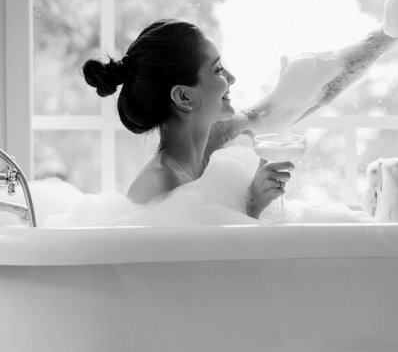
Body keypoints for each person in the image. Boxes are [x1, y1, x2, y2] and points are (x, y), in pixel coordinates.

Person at [82, 19, 291, 215]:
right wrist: (252, 204)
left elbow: (258, 116)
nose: (232, 78)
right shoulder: (157, 183)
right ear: (183, 96)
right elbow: (205, 254)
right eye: (218, 69)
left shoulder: (209, 159)